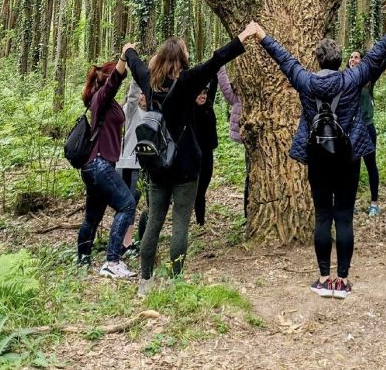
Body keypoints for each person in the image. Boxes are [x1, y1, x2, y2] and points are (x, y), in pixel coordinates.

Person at [245, 19, 386, 299]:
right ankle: (342, 281)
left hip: (317, 157)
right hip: (348, 155)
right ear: (340, 59)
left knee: (322, 217)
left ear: (317, 60)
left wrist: (262, 35)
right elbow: (377, 53)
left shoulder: (305, 80)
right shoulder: (352, 78)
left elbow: (284, 59)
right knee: (343, 217)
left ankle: (323, 278)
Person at [124, 26, 253, 296]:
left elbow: (135, 64)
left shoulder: (149, 79)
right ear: (182, 59)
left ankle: (144, 283)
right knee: (180, 222)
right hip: (185, 165)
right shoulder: (187, 81)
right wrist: (243, 37)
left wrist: (128, 50)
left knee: (155, 221)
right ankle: (175, 280)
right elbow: (216, 61)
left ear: (160, 58)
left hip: (158, 164)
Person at [76, 49, 137, 278]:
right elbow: (114, 82)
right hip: (100, 164)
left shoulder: (107, 103)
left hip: (97, 166)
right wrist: (123, 58)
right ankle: (112, 261)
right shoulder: (101, 97)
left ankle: (83, 258)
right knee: (127, 205)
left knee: (93, 216)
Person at [347, 44, 386, 216]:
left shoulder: (368, 80)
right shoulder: (344, 79)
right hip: (350, 130)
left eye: (356, 57)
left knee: (370, 165)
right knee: (353, 167)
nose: (353, 59)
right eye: (351, 57)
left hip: (367, 128)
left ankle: (374, 203)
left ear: (362, 61)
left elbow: (382, 66)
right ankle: (350, 204)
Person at [116, 77, 147, 255]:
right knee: (126, 204)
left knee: (132, 204)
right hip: (126, 164)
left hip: (141, 166)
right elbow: (133, 95)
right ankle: (121, 243)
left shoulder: (151, 112)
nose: (143, 97)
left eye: (146, 93)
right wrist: (138, 74)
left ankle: (127, 243)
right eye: (141, 93)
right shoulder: (130, 110)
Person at [217, 66, 249, 216]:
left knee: (250, 174)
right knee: (250, 174)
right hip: (248, 133)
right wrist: (220, 67)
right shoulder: (241, 92)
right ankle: (248, 211)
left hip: (250, 132)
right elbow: (226, 90)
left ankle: (248, 210)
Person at [192, 78, 219, 226]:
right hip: (195, 154)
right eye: (199, 93)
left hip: (208, 152)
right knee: (198, 189)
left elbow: (214, 84)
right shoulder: (190, 109)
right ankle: (199, 221)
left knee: (204, 185)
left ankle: (200, 220)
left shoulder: (208, 105)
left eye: (204, 93)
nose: (202, 96)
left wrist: (217, 67)